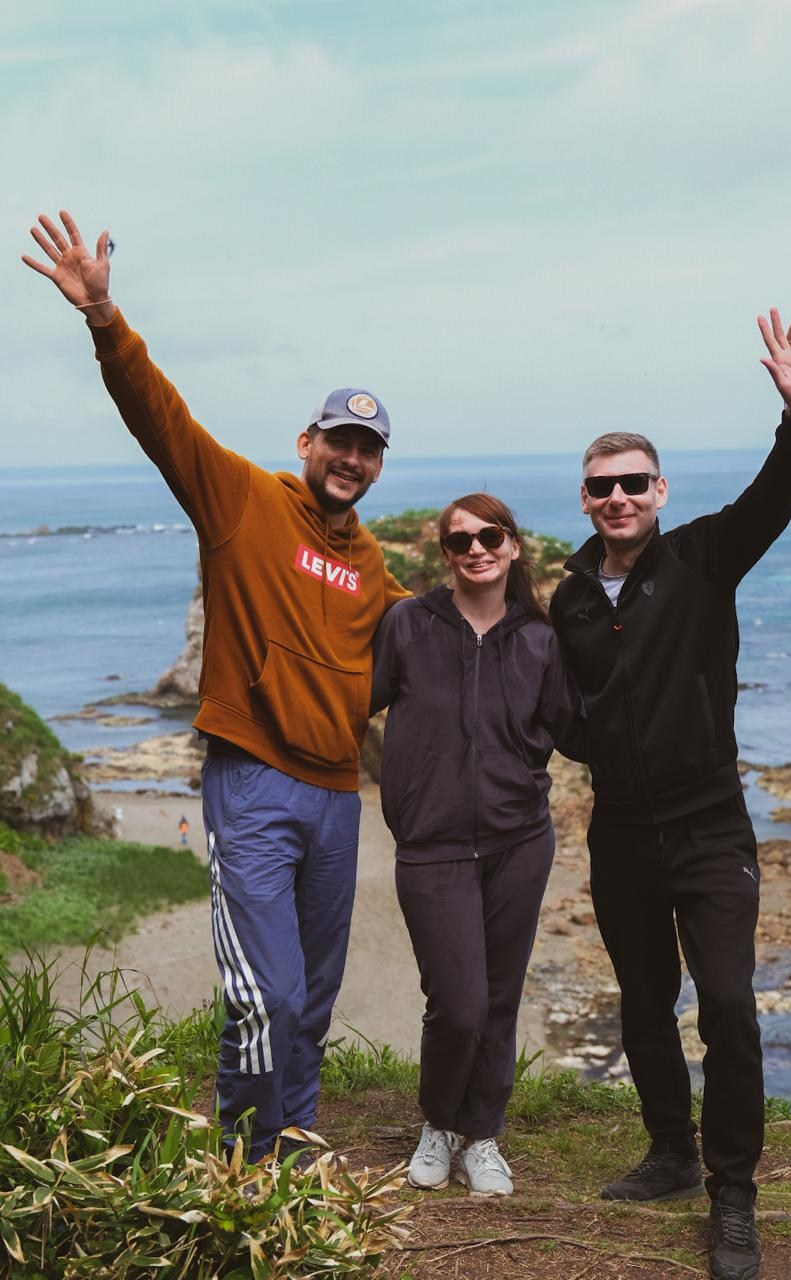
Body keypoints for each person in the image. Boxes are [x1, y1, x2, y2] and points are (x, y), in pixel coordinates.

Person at [23, 210, 409, 1166]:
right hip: (253, 779)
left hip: (338, 795)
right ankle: (245, 1149)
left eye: (367, 448)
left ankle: (293, 1142)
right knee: (264, 992)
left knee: (312, 995)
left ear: (377, 465)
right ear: (307, 440)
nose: (351, 459)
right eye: (338, 440)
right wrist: (105, 319)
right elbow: (162, 419)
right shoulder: (243, 498)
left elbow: (450, 643)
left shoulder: (374, 569)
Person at [549, 309, 791, 1280]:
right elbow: (563, 705)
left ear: (658, 492)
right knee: (643, 1001)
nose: (618, 496)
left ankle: (731, 1194)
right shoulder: (569, 598)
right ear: (585, 499)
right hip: (619, 826)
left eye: (634, 482)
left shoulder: (705, 555)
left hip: (708, 823)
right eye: (601, 485)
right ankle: (669, 1148)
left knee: (731, 1006)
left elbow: (773, 499)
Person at [371, 494, 580, 1197]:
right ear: (446, 555)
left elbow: (572, 727)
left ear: (512, 546)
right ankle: (439, 1124)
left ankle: (481, 1134)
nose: (476, 550)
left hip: (519, 841)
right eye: (460, 541)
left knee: (498, 1000)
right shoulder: (408, 623)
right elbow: (352, 701)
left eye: (489, 536)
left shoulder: (541, 639)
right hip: (430, 845)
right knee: (456, 1004)